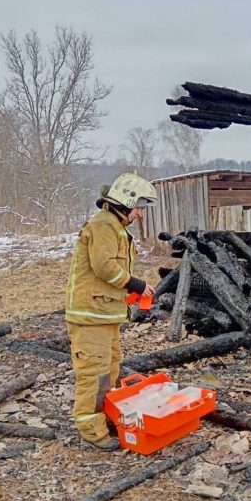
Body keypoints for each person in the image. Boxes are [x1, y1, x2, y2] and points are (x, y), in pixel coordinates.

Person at [65, 173, 157, 450]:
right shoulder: (104, 225)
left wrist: (128, 293)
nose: (140, 213)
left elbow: (110, 273)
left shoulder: (115, 226)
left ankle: (106, 418)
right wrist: (136, 284)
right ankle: (91, 431)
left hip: (104, 315)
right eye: (139, 207)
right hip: (90, 316)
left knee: (109, 370)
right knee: (94, 373)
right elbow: (104, 266)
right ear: (127, 202)